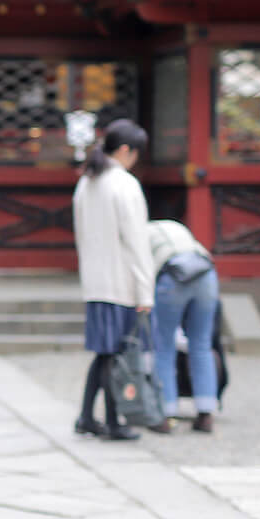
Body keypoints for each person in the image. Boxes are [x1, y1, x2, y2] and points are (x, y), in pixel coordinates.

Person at [70, 119, 152, 441]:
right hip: (120, 282)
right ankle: (113, 421)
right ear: (125, 150)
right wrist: (145, 290)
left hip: (95, 280)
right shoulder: (124, 184)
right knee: (114, 355)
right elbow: (137, 243)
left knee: (104, 353)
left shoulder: (87, 182)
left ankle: (88, 416)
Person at [148, 219, 219, 434]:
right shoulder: (175, 226)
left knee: (164, 346)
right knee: (201, 344)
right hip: (205, 274)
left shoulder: (141, 235)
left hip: (173, 276)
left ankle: (166, 413)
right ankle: (206, 413)